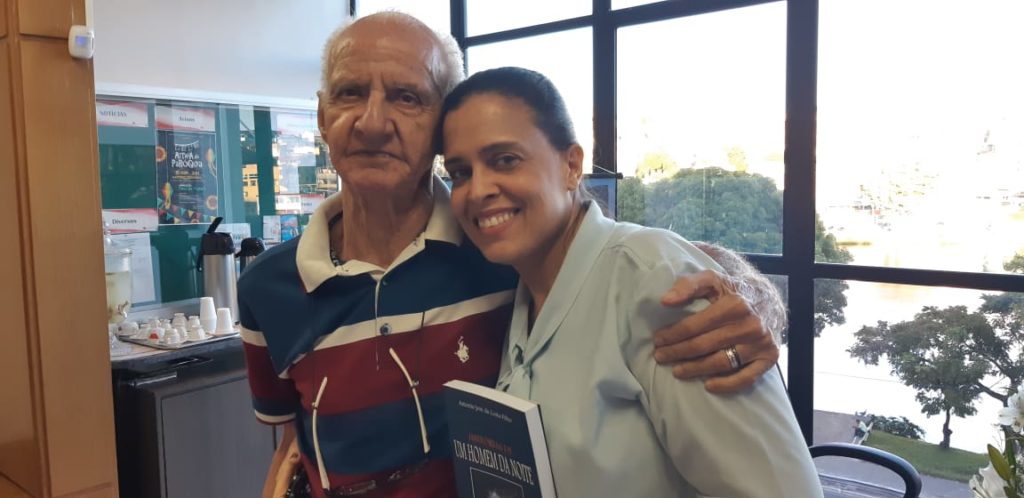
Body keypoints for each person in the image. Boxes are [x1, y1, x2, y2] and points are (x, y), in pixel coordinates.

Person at [240, 12, 785, 498]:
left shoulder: (497, 246)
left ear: (439, 125)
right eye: (350, 93)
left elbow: (622, 259)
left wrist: (747, 290)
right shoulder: (268, 288)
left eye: (407, 97)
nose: (374, 122)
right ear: (321, 115)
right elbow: (293, 445)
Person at [437, 66, 822, 497]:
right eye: (460, 172)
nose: (478, 190)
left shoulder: (654, 283)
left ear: (571, 165)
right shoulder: (522, 289)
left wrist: (751, 290)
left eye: (505, 160)